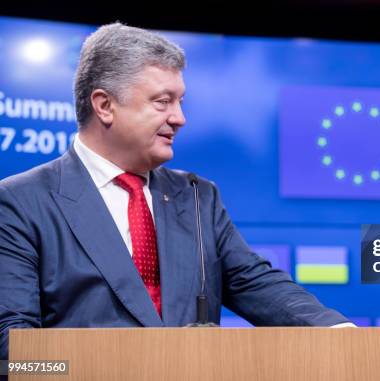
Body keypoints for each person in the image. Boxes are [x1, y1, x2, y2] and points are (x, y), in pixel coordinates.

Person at [0, 23, 352, 360]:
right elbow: (12, 345)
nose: (180, 117)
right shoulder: (21, 202)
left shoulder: (198, 197)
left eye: (180, 101)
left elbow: (255, 283)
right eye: (162, 101)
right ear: (105, 105)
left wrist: (338, 331)